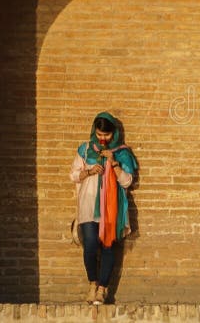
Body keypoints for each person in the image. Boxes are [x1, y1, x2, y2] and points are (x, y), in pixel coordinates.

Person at [69, 112, 138, 305]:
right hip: (88, 206)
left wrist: (113, 163)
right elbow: (73, 175)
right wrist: (89, 171)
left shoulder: (122, 153)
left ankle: (102, 289)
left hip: (111, 210)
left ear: (113, 134)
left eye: (106, 135)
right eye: (99, 134)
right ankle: (93, 283)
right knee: (90, 245)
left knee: (108, 248)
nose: (102, 138)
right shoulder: (85, 150)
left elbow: (127, 182)